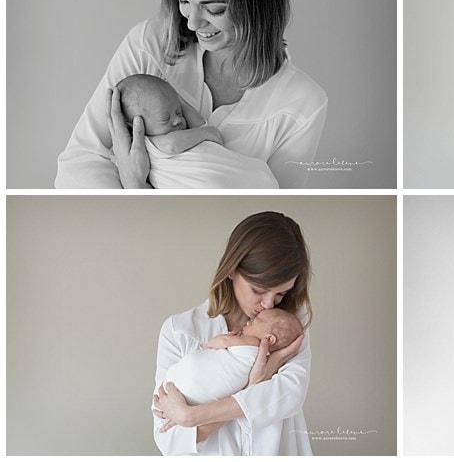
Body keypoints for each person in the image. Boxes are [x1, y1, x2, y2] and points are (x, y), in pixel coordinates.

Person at [55, 0, 327, 189]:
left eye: (215, 8)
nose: (194, 23)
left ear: (260, 2)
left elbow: (271, 205)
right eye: (184, 1)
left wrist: (136, 185)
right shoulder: (147, 46)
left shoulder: (302, 103)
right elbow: (77, 166)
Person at [152, 211, 313, 455]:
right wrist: (256, 383)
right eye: (258, 290)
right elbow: (169, 441)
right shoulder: (180, 331)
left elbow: (289, 395)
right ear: (232, 270)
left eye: (281, 293)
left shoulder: (287, 327)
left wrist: (191, 415)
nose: (269, 304)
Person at [116, 74, 278, 188]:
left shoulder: (185, 133)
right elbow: (173, 145)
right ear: (137, 124)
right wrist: (208, 133)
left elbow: (201, 124)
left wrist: (176, 98)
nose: (177, 120)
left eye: (178, 112)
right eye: (165, 119)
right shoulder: (149, 143)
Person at [163, 308, 303, 406]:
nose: (248, 322)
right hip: (203, 399)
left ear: (269, 339)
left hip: (188, 383)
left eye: (255, 321)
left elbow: (223, 342)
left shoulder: (253, 343)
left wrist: (208, 346)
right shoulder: (265, 359)